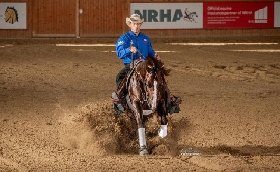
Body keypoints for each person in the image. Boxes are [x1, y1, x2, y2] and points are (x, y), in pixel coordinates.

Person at [111, 14, 181, 114]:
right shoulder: (124, 39)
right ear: (129, 25)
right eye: (134, 24)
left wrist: (155, 54)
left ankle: (169, 100)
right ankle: (119, 98)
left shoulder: (146, 39)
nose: (136, 26)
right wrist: (129, 49)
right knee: (121, 76)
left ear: (141, 25)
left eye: (138, 24)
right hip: (131, 65)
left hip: (145, 66)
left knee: (159, 75)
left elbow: (150, 51)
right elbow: (119, 53)